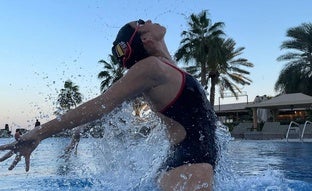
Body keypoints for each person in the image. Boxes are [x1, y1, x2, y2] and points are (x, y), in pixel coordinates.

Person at [0, 19, 218, 191]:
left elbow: (106, 110)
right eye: (141, 22)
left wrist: (78, 133)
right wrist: (40, 133)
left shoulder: (166, 70)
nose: (149, 20)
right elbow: (103, 104)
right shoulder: (152, 67)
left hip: (187, 163)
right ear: (146, 39)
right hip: (189, 164)